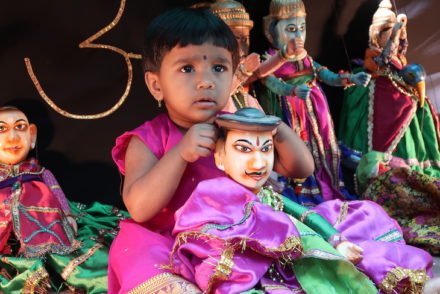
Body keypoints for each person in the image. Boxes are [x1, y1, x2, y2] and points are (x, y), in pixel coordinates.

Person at [107, 7, 314, 293]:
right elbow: (139, 208)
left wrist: (272, 127)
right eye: (187, 68)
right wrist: (179, 154)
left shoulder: (237, 129)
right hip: (166, 242)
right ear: (156, 85)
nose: (206, 81)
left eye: (219, 68)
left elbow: (302, 168)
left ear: (231, 79)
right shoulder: (147, 139)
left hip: (236, 234)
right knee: (145, 262)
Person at [168, 107, 433, 293]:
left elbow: (303, 214)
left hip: (297, 256)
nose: (258, 162)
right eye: (243, 149)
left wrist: (335, 239)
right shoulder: (214, 195)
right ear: (219, 156)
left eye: (266, 149)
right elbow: (205, 236)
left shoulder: (268, 195)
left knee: (362, 233)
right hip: (259, 269)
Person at [338, 0, 440, 254]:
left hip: (403, 96)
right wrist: (395, 29)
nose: (396, 42)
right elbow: (381, 62)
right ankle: (380, 174)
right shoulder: (374, 58)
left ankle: (408, 169)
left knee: (416, 89)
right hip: (378, 95)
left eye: (399, 37)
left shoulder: (402, 63)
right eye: (389, 35)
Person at [0, 106, 127, 293]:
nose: (13, 137)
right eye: (1, 129)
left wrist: (67, 215)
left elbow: (56, 192)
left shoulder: (40, 173)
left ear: (32, 135)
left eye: (20, 127)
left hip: (47, 232)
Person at [258, 0, 371, 206]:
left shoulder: (306, 58)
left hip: (317, 110)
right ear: (272, 31)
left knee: (323, 146)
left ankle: (327, 185)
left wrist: (351, 79)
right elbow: (271, 83)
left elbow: (326, 75)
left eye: (302, 28)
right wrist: (291, 90)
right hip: (291, 111)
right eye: (291, 29)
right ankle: (302, 190)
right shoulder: (270, 59)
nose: (298, 35)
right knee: (300, 149)